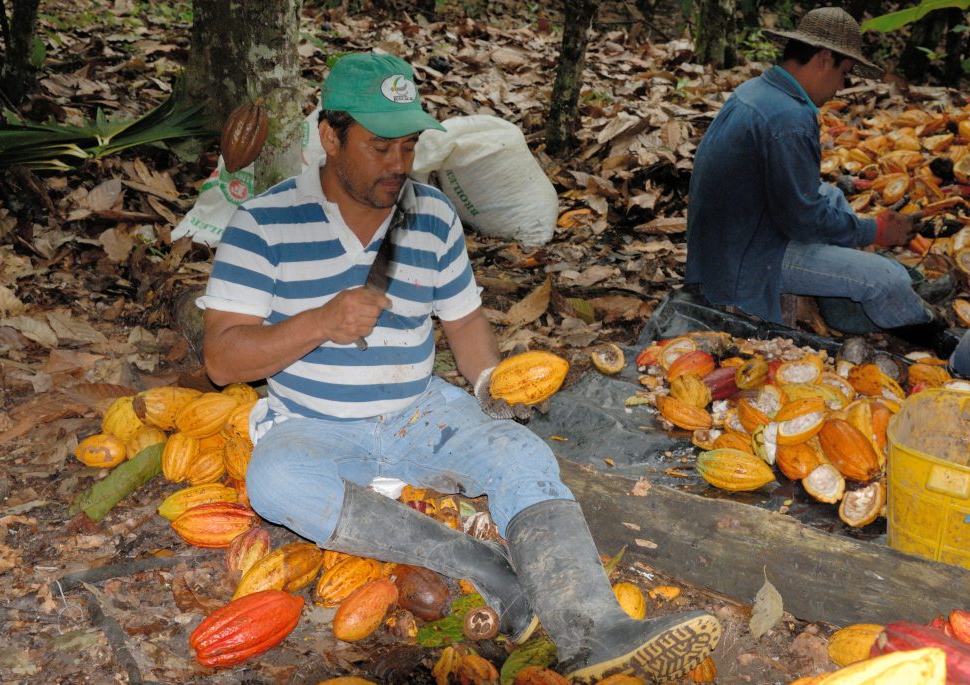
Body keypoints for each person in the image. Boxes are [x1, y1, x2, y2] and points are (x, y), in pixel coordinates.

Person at [197, 52, 720, 682]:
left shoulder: (432, 216)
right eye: (380, 146)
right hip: (314, 421)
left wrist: (488, 386)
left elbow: (465, 322)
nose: (399, 164)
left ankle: (596, 630)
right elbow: (222, 360)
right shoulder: (264, 223)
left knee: (520, 453)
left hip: (420, 413)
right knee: (276, 481)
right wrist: (319, 323)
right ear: (329, 137)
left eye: (410, 146)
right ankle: (490, 573)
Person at [686, 6, 957, 358]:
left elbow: (802, 200)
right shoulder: (790, 117)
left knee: (830, 195)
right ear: (824, 59)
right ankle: (932, 333)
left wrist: (855, 227)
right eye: (844, 74)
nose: (841, 87)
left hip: (727, 242)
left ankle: (841, 296)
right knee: (885, 279)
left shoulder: (758, 90)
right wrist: (874, 231)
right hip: (748, 261)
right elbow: (801, 219)